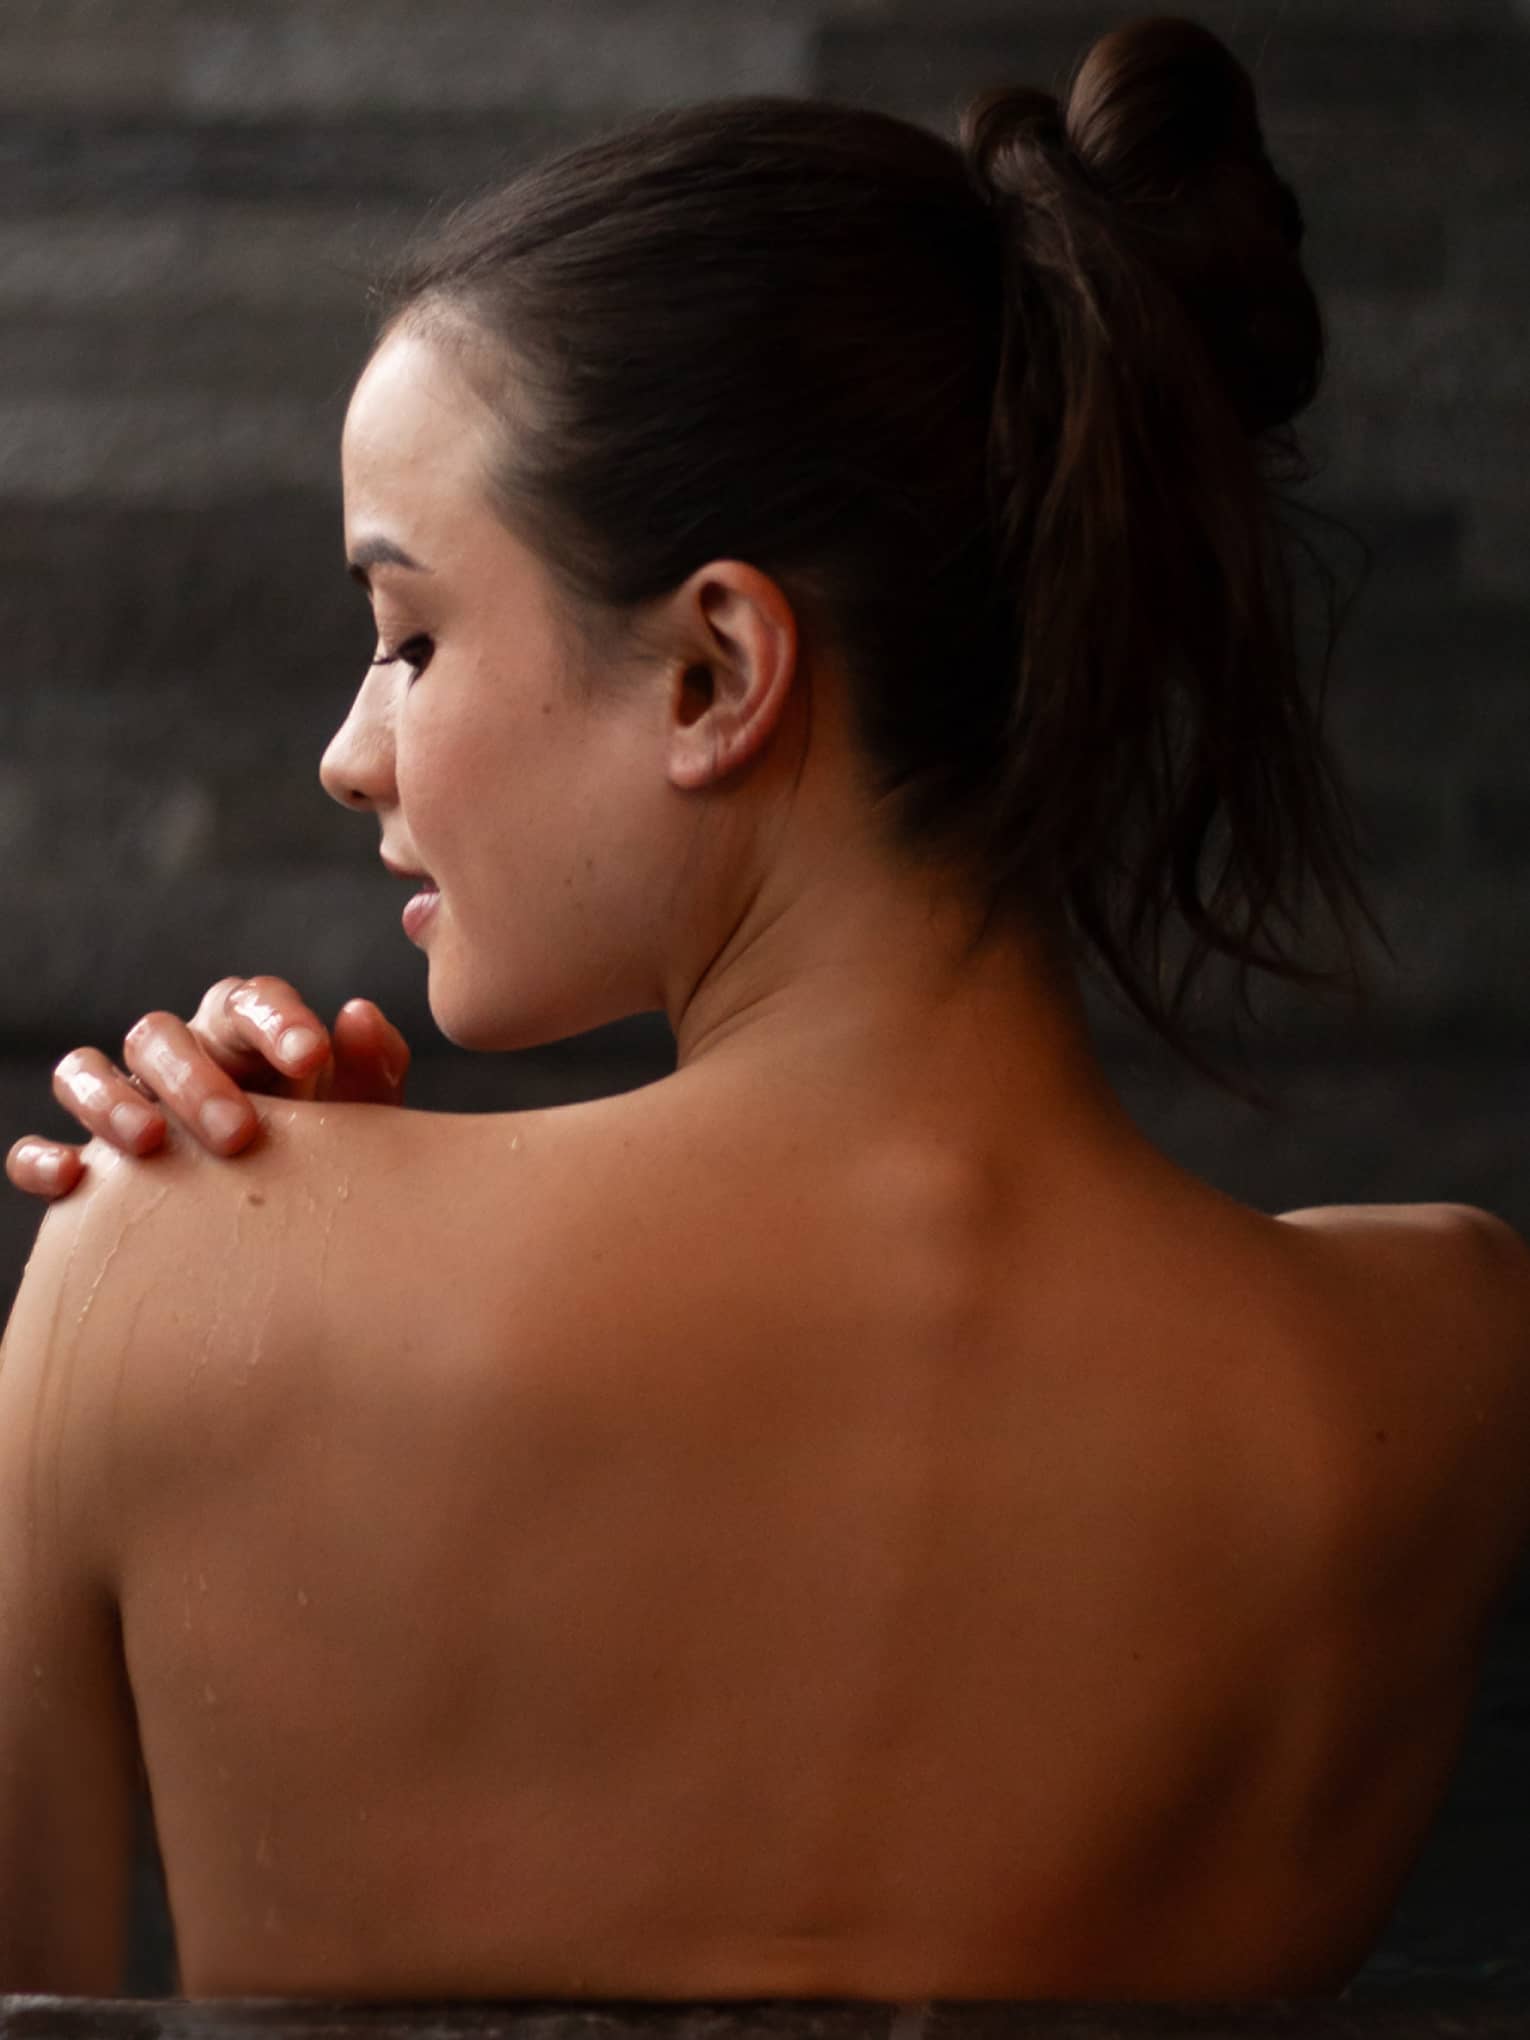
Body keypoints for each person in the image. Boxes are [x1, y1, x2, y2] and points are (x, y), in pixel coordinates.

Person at [3, 15, 1528, 2003]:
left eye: (410, 634)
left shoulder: (163, 1277)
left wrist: (233, 1223)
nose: (346, 753)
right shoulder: (1436, 1377)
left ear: (717, 671)